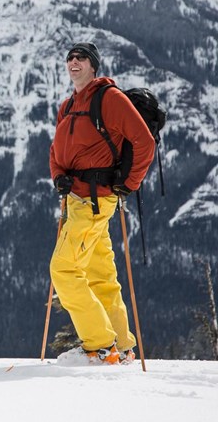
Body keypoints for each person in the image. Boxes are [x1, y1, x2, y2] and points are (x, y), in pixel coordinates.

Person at [48, 41, 155, 365]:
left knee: (64, 270)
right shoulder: (67, 106)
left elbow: (144, 142)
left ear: (94, 65)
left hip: (94, 201)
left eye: (81, 57)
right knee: (100, 276)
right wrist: (58, 176)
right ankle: (121, 345)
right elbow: (56, 150)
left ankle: (99, 345)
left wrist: (129, 183)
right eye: (70, 57)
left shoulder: (109, 98)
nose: (74, 62)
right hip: (78, 198)